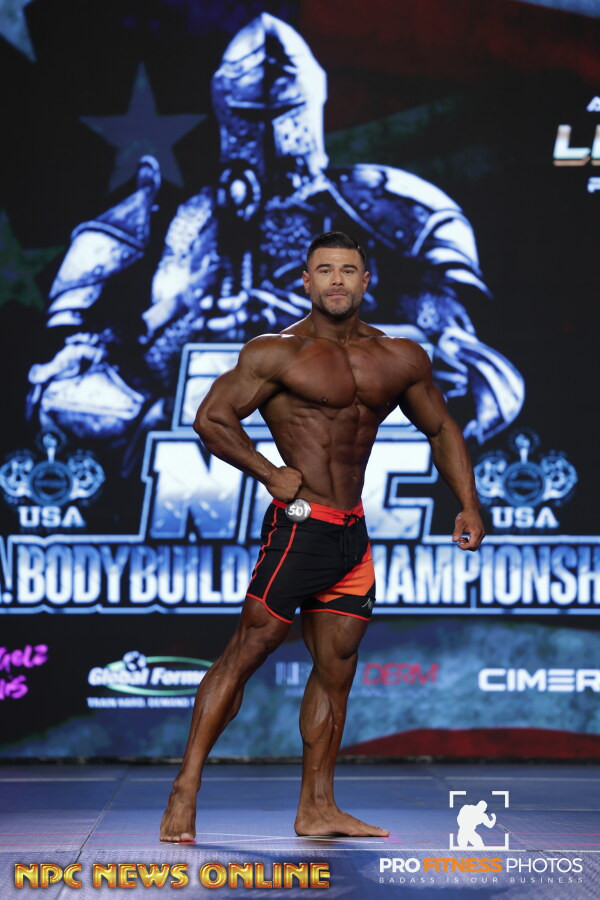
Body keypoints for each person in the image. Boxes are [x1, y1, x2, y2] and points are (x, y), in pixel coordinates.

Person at [160, 231, 485, 842]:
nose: (338, 280)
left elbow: (441, 428)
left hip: (350, 537)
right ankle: (186, 787)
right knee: (245, 653)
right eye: (326, 270)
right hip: (299, 529)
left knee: (336, 671)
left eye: (348, 270)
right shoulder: (276, 353)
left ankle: (318, 806)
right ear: (306, 281)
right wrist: (268, 472)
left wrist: (468, 504)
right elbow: (211, 417)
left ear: (366, 281)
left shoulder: (399, 357)